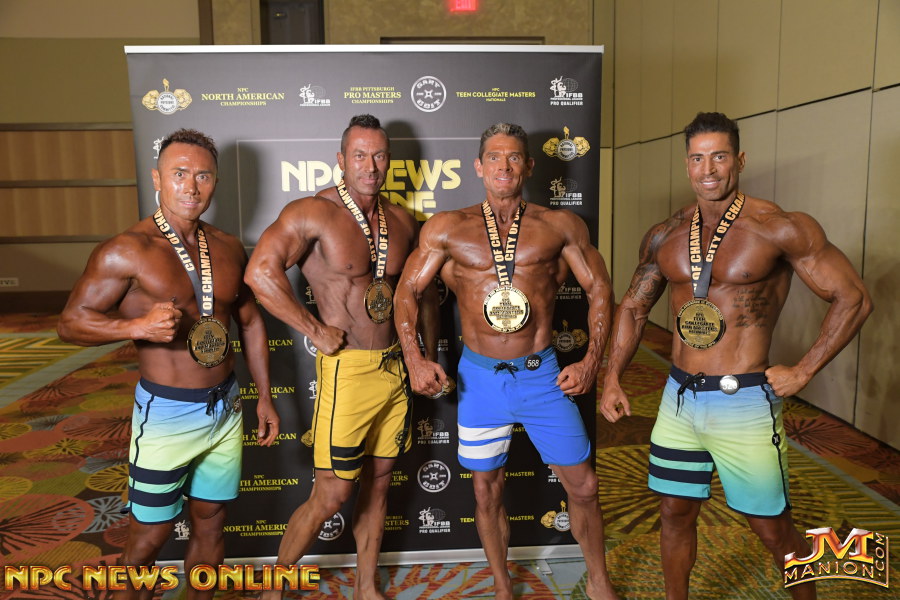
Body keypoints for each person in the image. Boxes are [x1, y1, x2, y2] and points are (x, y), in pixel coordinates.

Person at [599, 111, 873, 600]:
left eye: (719, 157)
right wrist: (614, 377)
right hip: (679, 399)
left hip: (743, 401)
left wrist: (804, 370)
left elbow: (853, 298)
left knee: (772, 528)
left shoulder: (778, 227)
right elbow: (635, 307)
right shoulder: (666, 233)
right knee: (673, 512)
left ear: (740, 160)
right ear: (686, 164)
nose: (708, 169)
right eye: (697, 158)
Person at [394, 122, 620, 600]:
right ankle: (501, 586)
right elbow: (407, 291)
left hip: (542, 376)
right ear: (479, 167)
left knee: (583, 486)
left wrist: (591, 362)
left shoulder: (560, 226)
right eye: (494, 157)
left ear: (529, 166)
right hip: (480, 381)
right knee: (486, 490)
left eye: (514, 157)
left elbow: (600, 288)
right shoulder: (447, 228)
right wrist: (415, 358)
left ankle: (599, 581)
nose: (504, 166)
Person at [57, 128, 280, 600]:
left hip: (225, 407)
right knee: (148, 538)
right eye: (179, 174)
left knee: (211, 522)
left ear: (215, 182)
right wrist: (133, 327)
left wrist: (264, 395)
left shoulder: (228, 247)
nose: (191, 187)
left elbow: (250, 322)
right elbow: (70, 323)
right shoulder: (127, 249)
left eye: (203, 176)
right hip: (166, 413)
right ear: (157, 179)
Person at [245, 114, 435, 600]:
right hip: (346, 370)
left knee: (380, 484)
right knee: (332, 493)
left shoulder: (401, 221)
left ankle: (366, 587)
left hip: (394, 369)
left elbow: (421, 294)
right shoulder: (314, 212)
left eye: (379, 156)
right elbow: (259, 273)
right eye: (359, 155)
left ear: (389, 160)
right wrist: (313, 329)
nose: (370, 166)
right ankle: (273, 590)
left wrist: (424, 357)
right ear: (341, 160)